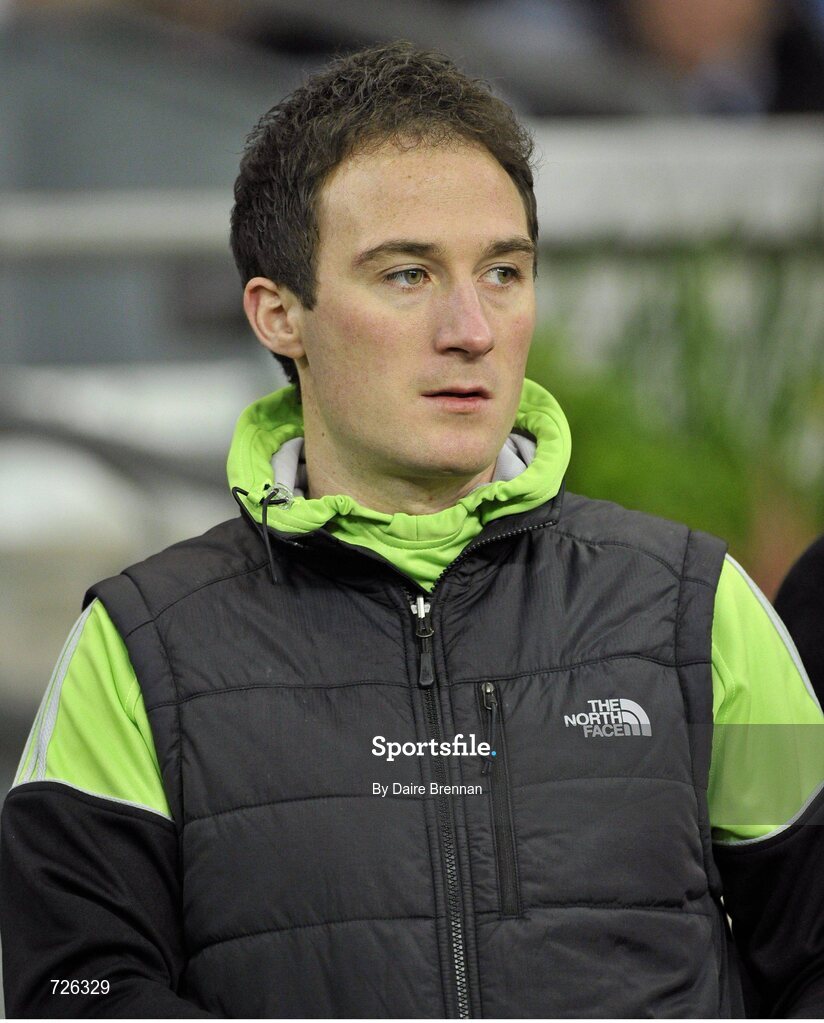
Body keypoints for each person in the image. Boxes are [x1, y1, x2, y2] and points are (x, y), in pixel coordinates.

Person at [2, 42, 823, 1019]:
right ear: (278, 315)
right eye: (405, 275)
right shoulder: (135, 652)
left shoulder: (700, 609)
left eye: (503, 273)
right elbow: (72, 993)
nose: (470, 328)